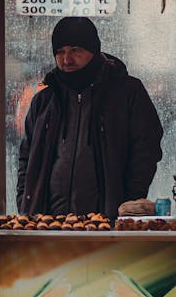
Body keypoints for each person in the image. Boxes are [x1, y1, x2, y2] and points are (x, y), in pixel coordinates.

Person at [16, 16, 163, 219]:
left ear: (93, 50)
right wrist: (25, 202)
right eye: (60, 52)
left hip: (108, 222)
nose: (67, 59)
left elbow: (146, 149)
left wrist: (129, 201)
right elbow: (26, 158)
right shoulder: (44, 100)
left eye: (75, 50)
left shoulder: (127, 92)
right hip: (48, 224)